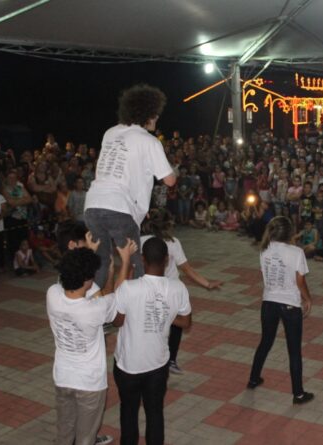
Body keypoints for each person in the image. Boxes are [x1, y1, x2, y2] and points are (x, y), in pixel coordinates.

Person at [84, 84, 176, 288]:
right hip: (119, 208)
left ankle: (94, 307)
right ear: (146, 114)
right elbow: (169, 180)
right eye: (155, 114)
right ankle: (138, 310)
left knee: (102, 262)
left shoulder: (110, 132)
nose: (157, 118)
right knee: (138, 263)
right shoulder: (149, 140)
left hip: (93, 204)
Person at [47, 242, 135, 445]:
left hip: (62, 377)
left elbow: (71, 276)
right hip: (89, 383)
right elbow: (118, 296)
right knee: (85, 438)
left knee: (64, 432)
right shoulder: (94, 309)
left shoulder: (52, 294)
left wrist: (85, 254)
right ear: (88, 279)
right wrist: (125, 261)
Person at [112, 237, 192, 445]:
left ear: (142, 259)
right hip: (158, 364)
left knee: (128, 413)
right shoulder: (178, 288)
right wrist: (164, 312)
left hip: (128, 364)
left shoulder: (129, 288)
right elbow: (185, 322)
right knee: (155, 413)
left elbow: (117, 321)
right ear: (166, 260)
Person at [140, 209, 221, 374]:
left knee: (150, 323)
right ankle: (171, 360)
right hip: (172, 291)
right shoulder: (173, 242)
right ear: (168, 224)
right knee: (177, 324)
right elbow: (187, 269)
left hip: (148, 289)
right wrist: (208, 284)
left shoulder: (141, 241)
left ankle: (150, 357)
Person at [248, 216, 314, 405]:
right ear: (290, 232)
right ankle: (298, 394)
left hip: (268, 302)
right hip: (290, 305)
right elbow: (300, 281)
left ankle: (253, 378)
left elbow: (263, 274)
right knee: (294, 350)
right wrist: (308, 298)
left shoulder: (264, 249)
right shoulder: (296, 252)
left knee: (265, 342)